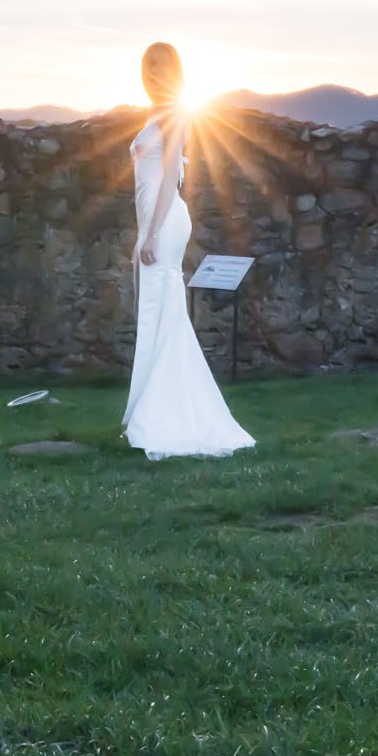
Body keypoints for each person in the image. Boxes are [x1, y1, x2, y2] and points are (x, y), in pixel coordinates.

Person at [122, 42, 256, 460]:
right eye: (149, 66)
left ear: (174, 72)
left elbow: (167, 180)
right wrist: (141, 236)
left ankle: (165, 415)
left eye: (161, 67)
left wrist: (151, 234)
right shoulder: (155, 113)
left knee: (162, 313)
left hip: (166, 222)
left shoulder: (175, 114)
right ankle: (156, 407)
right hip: (153, 222)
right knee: (159, 314)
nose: (153, 73)